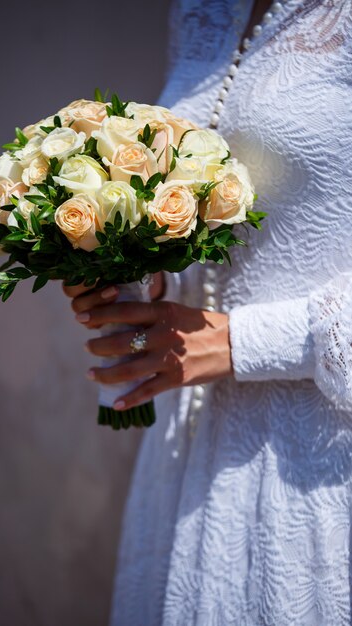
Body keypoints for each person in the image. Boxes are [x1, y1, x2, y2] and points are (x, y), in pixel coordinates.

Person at [63, 0, 352, 623]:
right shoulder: (200, 11)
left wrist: (243, 341)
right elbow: (237, 223)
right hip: (191, 456)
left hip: (322, 465)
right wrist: (146, 273)